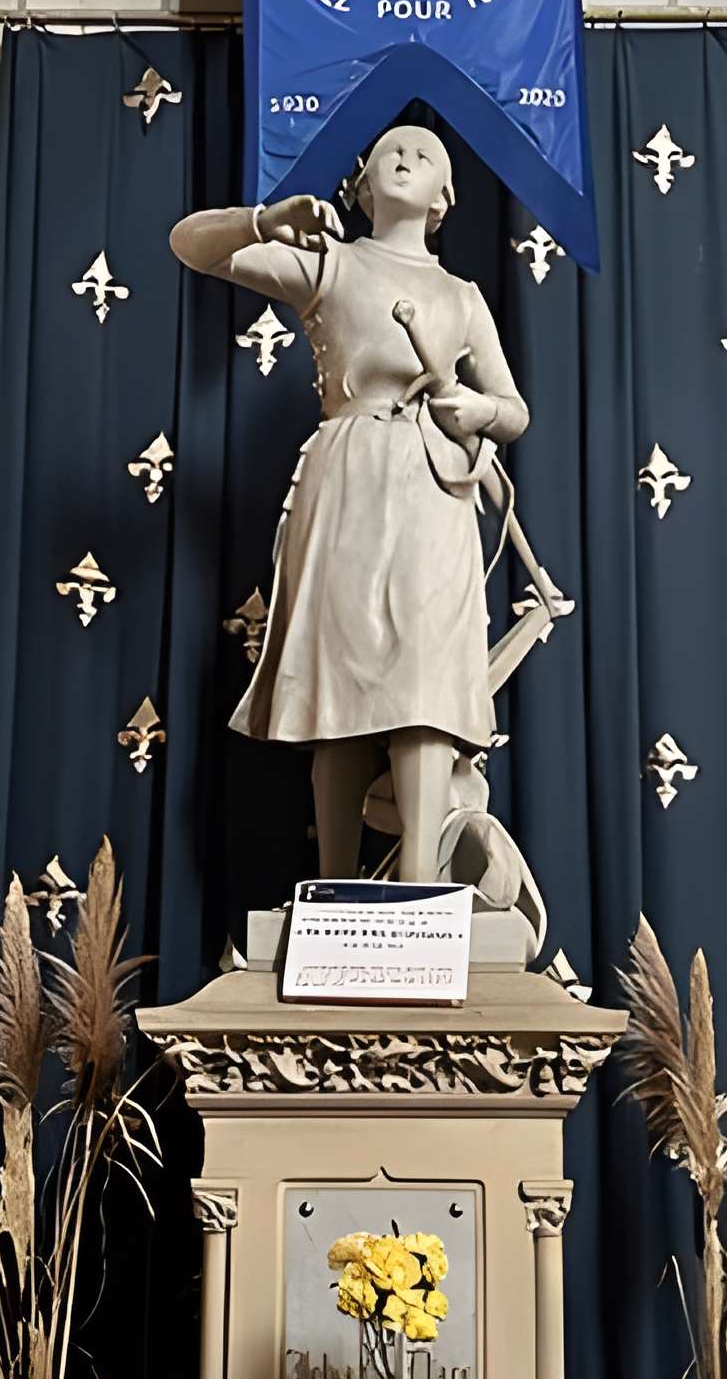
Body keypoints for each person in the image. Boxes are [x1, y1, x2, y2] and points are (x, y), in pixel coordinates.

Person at [170, 125, 529, 884]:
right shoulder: (333, 266)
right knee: (340, 685)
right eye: (392, 149)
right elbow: (192, 247)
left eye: (427, 154)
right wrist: (264, 221)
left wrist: (475, 410)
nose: (406, 157)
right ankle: (336, 883)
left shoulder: (462, 300)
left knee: (425, 681)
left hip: (434, 488)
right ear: (362, 183)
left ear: (445, 199)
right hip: (345, 479)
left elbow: (513, 408)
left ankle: (420, 889)